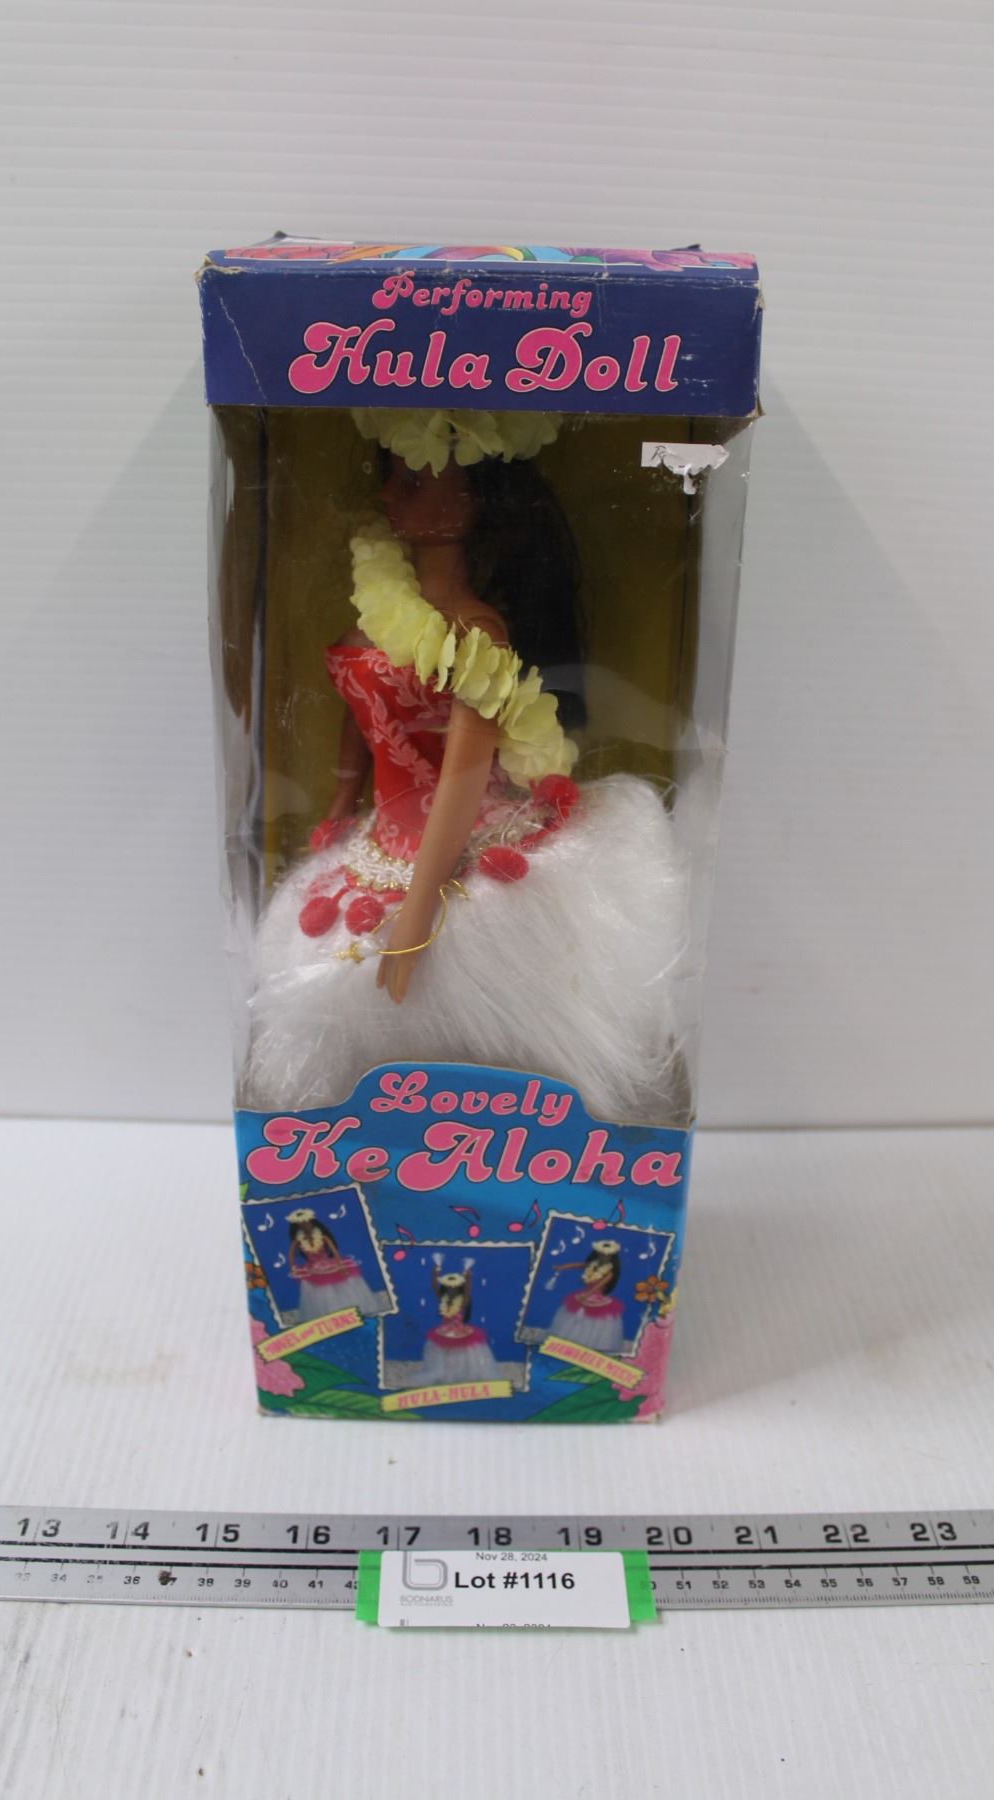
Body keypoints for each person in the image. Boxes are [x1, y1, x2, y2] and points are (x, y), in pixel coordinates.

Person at [241, 408, 686, 1126]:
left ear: (478, 500)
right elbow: (361, 712)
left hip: (458, 843)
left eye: (414, 480)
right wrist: (342, 799)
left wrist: (420, 910)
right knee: (340, 983)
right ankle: (393, 1126)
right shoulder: (383, 606)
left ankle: (496, 1121)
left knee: (476, 991)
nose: (389, 494)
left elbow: (463, 776)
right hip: (384, 838)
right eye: (393, 476)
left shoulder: (476, 632)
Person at [284, 1208, 383, 1320]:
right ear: (298, 1227)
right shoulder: (297, 1241)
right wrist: (292, 1267)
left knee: (341, 1285)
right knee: (322, 1290)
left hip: (329, 1263)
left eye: (307, 1223)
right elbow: (291, 1254)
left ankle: (348, 1307)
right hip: (313, 1267)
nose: (305, 1227)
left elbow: (335, 1252)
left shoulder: (323, 1237)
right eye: (301, 1225)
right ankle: (329, 1312)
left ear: (312, 1223)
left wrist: (341, 1266)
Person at [547, 1241, 627, 1354]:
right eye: (601, 1254)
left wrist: (587, 1295)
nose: (604, 1257)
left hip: (595, 1297)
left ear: (612, 1257)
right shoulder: (592, 1265)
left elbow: (599, 1285)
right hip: (585, 1294)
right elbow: (578, 1265)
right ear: (597, 1254)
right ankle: (573, 1341)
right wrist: (562, 1267)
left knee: (595, 1321)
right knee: (575, 1317)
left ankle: (592, 1344)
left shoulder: (610, 1272)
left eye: (608, 1255)